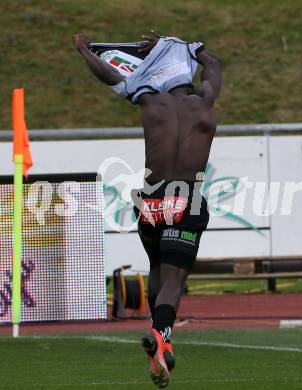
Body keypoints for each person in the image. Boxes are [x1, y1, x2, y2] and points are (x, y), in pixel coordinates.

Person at [73, 32, 221, 388]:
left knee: (156, 267)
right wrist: (187, 46)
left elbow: (111, 74)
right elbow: (213, 64)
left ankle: (162, 339)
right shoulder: (204, 103)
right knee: (174, 280)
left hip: (152, 200)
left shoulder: (150, 101)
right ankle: (161, 331)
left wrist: (83, 49)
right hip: (186, 197)